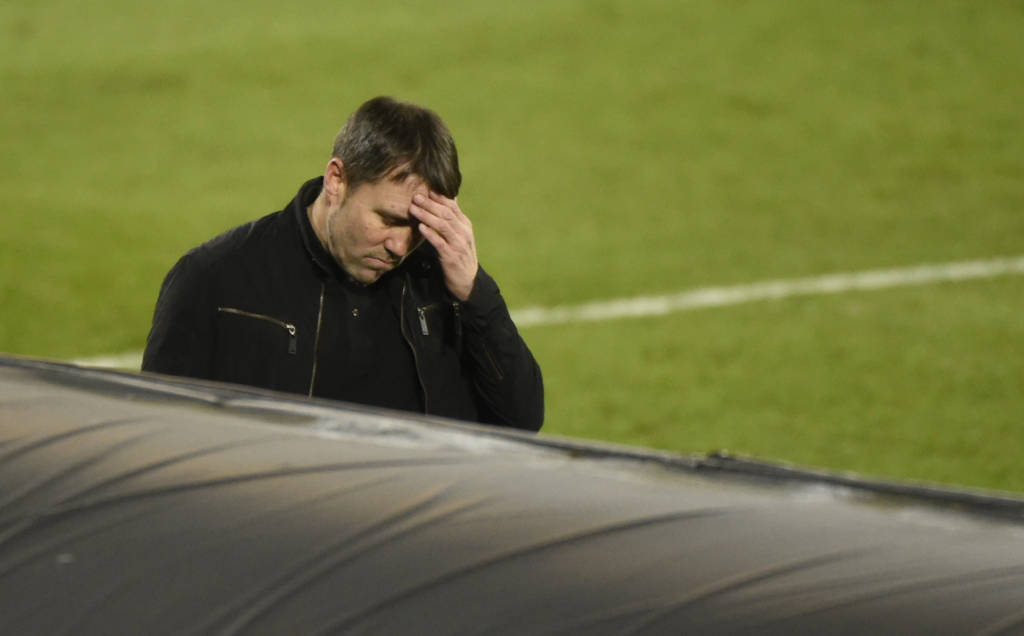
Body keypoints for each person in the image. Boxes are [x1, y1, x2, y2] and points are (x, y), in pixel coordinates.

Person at [142, 96, 543, 431]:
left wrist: (475, 295)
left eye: (419, 227)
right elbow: (159, 437)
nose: (401, 246)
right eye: (389, 219)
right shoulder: (214, 281)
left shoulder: (445, 284)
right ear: (337, 180)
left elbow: (522, 420)